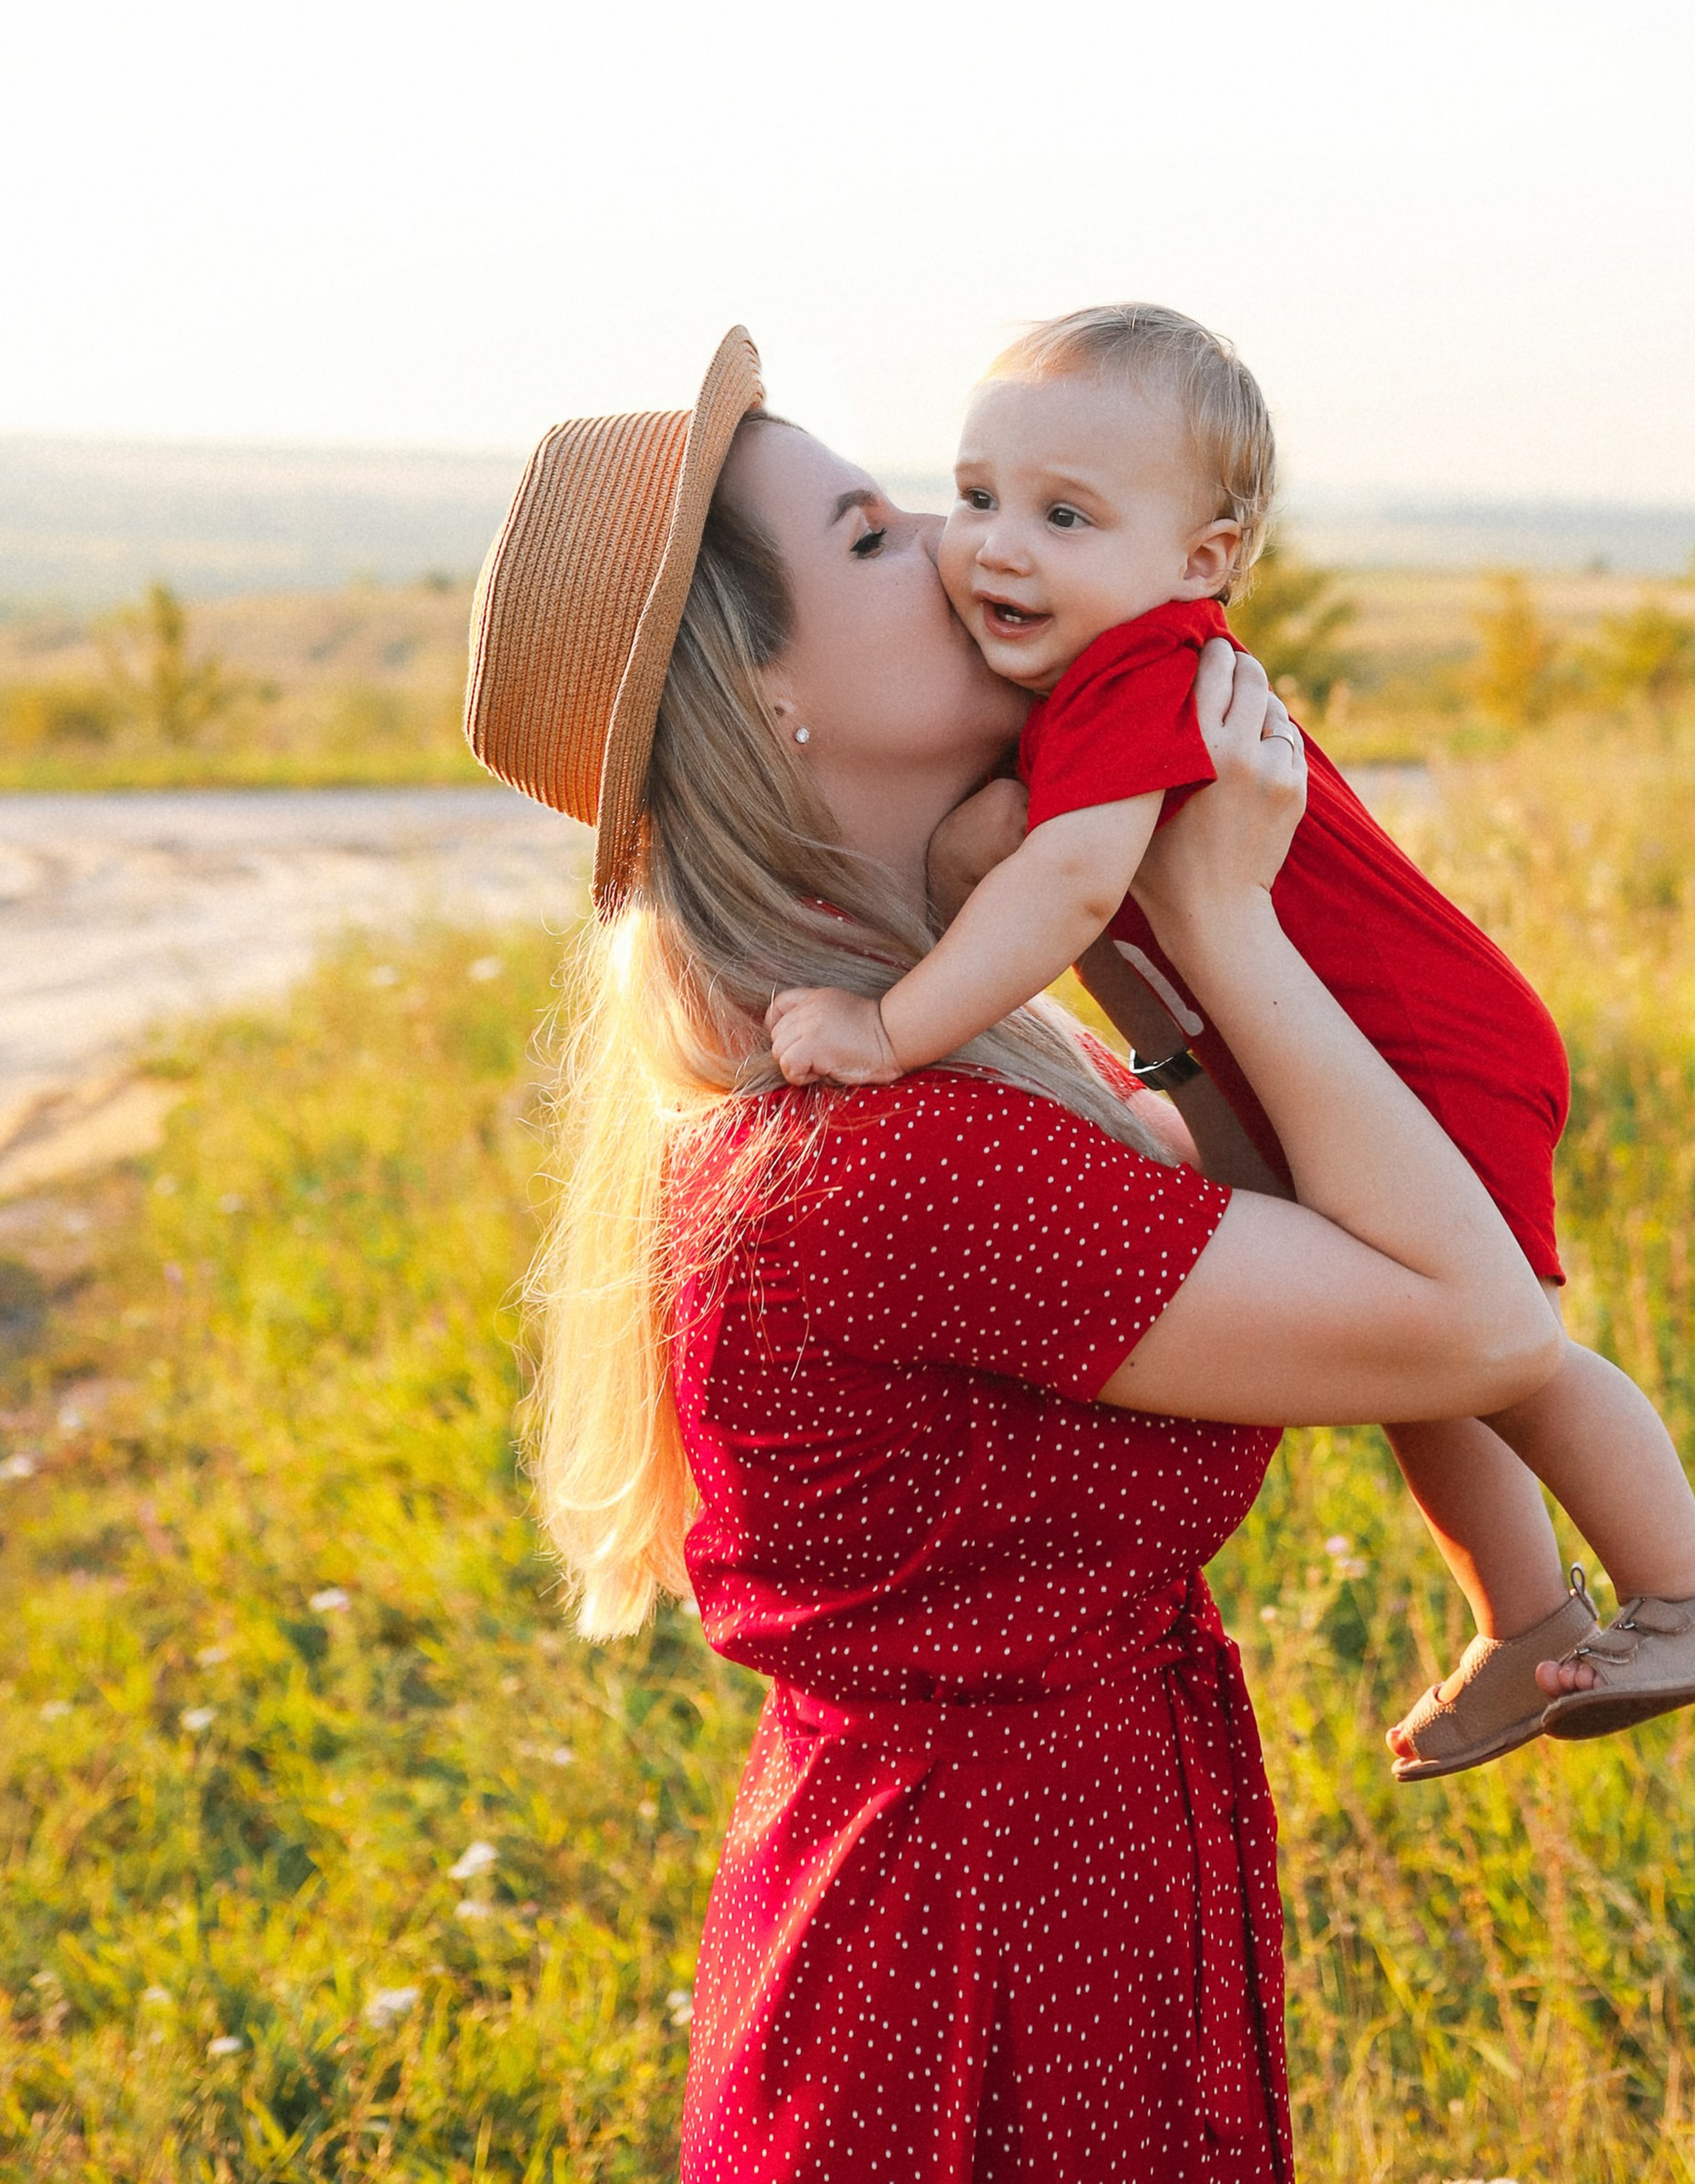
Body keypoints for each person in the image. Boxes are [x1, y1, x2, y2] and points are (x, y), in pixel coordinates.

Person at [464, 327, 1563, 2184]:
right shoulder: (898, 1155)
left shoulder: (954, 1046)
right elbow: (1474, 1324)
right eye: (876, 537)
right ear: (769, 699)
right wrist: (1233, 929)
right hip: (980, 1983)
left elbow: (1296, 1221)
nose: (954, 538)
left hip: (1009, 1919)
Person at [762, 302, 1695, 1775]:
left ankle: (1688, 1600)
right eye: (977, 498)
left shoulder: (1140, 671)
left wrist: (888, 1025)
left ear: (1204, 562)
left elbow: (1071, 878)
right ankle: (1524, 1624)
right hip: (1312, 1046)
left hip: (1413, 1041)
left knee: (1507, 1349)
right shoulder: (1089, 674)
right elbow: (1015, 842)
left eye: (1067, 515)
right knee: (1420, 1365)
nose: (998, 545)